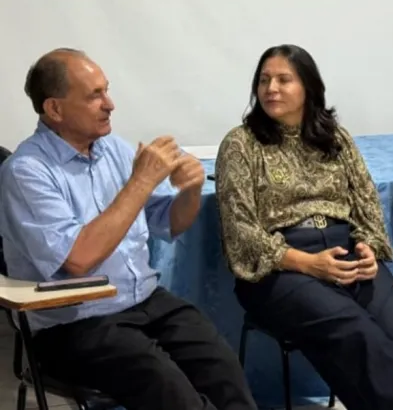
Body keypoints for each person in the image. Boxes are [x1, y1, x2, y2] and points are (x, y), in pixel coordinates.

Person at [0, 48, 258, 410]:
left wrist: (191, 188)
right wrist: (141, 181)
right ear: (54, 109)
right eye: (94, 96)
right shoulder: (26, 171)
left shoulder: (114, 149)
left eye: (106, 90)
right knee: (172, 392)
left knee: (223, 371)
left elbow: (170, 222)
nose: (110, 104)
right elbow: (78, 259)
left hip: (146, 301)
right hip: (74, 323)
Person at [215, 44, 393, 410]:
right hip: (279, 269)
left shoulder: (335, 138)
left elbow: (366, 202)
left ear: (308, 87)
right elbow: (240, 232)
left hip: (345, 252)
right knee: (356, 332)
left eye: (283, 80)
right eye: (264, 80)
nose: (271, 89)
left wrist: (368, 248)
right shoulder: (241, 144)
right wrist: (308, 264)